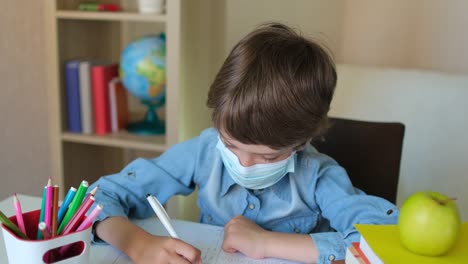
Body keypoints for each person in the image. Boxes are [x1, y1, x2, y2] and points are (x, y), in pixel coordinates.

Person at [89, 23, 398, 264]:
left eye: (267, 157)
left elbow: (384, 240)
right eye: (231, 144)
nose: (244, 164)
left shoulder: (319, 177)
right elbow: (99, 197)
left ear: (302, 142)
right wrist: (138, 245)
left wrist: (265, 243)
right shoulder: (204, 152)